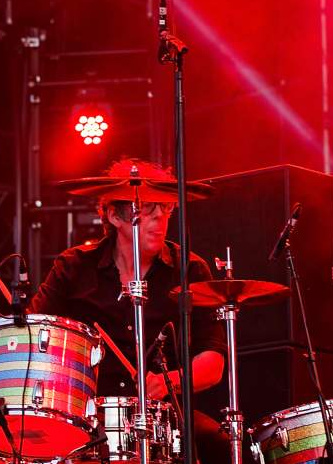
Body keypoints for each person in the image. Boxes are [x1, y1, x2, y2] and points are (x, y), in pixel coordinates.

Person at [29, 157, 227, 430]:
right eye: (146, 207)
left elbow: (213, 364)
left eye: (165, 207)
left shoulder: (189, 269)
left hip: (164, 419)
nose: (160, 217)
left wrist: (167, 382)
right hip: (87, 417)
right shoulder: (73, 266)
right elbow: (32, 336)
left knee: (219, 443)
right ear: (114, 216)